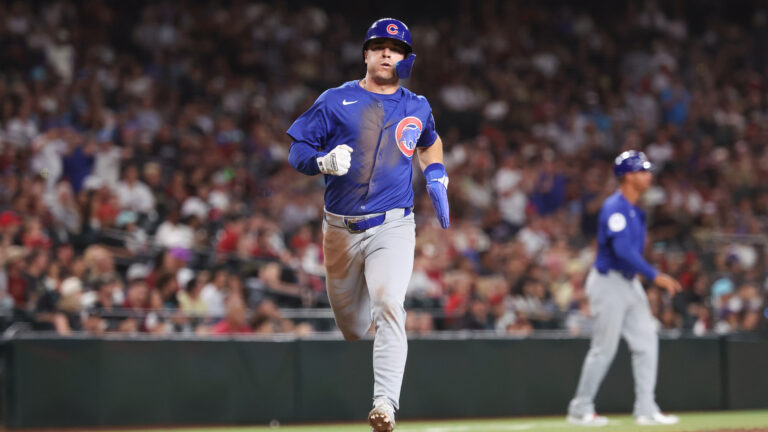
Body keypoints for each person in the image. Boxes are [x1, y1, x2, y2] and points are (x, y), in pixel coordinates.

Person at [287, 17, 450, 432]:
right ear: (365, 53)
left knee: (390, 305)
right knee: (354, 328)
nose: (385, 53)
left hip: (394, 225)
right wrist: (319, 162)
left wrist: (436, 174)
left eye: (394, 49)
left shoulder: (418, 105)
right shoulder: (335, 99)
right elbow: (298, 147)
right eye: (378, 46)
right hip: (340, 230)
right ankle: (362, 329)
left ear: (405, 59)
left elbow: (429, 141)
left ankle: (385, 404)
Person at [566, 150, 681, 426]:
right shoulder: (614, 207)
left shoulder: (636, 211)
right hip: (608, 283)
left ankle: (645, 409)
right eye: (643, 170)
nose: (649, 175)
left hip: (628, 283)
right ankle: (580, 408)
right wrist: (655, 275)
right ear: (628, 176)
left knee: (646, 341)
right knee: (604, 348)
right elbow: (622, 250)